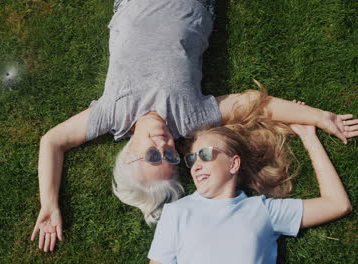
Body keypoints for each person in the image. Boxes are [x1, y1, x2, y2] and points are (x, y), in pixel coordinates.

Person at [30, 0, 358, 252]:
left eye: (152, 157)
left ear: (130, 153)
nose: (165, 147)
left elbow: (52, 142)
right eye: (171, 159)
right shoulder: (189, 119)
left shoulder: (112, 116)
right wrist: (320, 117)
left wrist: (49, 204)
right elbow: (250, 103)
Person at [147, 100, 353, 264]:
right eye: (192, 159)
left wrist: (309, 138)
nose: (196, 165)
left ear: (233, 164)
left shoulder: (263, 210)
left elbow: (337, 204)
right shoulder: (176, 212)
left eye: (206, 154)